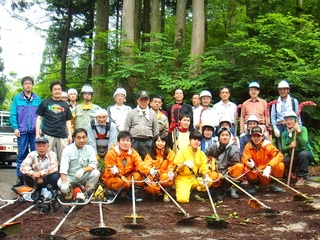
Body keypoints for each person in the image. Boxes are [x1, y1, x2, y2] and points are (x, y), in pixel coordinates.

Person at [10, 76, 42, 187]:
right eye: (26, 83)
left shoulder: (37, 99)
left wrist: (40, 128)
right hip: (22, 131)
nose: (28, 85)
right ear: (23, 85)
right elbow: (13, 114)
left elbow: (41, 115)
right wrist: (15, 128)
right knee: (22, 154)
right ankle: (20, 178)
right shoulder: (17, 98)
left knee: (36, 155)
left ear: (32, 85)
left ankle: (34, 178)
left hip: (34, 132)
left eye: (30, 83)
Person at [101, 131, 146, 202]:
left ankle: (130, 193)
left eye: (128, 141)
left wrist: (150, 171)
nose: (125, 143)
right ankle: (113, 195)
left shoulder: (134, 153)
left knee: (140, 177)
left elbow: (140, 164)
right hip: (113, 178)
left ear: (131, 143)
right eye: (123, 140)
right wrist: (117, 174)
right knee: (119, 181)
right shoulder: (111, 153)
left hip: (126, 177)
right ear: (118, 142)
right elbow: (110, 170)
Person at [36, 81, 73, 162]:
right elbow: (39, 118)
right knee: (46, 158)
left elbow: (68, 120)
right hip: (48, 135)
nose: (57, 91)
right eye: (55, 89)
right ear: (51, 91)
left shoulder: (65, 104)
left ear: (61, 90)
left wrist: (70, 135)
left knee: (64, 159)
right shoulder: (45, 102)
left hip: (62, 135)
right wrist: (37, 134)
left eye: (59, 89)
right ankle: (46, 174)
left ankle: (62, 174)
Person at [242, 126, 286, 194]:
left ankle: (273, 185)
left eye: (258, 136)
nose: (256, 138)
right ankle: (255, 186)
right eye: (254, 136)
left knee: (280, 165)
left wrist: (269, 166)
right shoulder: (248, 146)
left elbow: (279, 156)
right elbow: (245, 157)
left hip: (267, 173)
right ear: (251, 137)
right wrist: (249, 163)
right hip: (256, 172)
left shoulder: (268, 145)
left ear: (262, 137)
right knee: (246, 168)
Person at [57, 128, 100, 196]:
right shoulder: (67, 150)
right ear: (74, 138)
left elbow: (93, 165)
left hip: (84, 175)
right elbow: (63, 168)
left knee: (96, 173)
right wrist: (64, 183)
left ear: (86, 138)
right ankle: (70, 191)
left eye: (84, 137)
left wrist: (83, 170)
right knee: (60, 183)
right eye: (78, 138)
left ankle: (88, 191)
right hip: (71, 176)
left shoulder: (90, 148)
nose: (82, 140)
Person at [206, 128, 244, 201]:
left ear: (230, 137)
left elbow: (235, 164)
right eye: (222, 135)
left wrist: (226, 172)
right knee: (212, 176)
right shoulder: (214, 146)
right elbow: (207, 154)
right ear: (219, 137)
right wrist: (212, 160)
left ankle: (233, 187)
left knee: (239, 166)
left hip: (228, 173)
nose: (225, 137)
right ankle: (217, 188)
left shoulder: (234, 149)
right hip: (216, 170)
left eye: (227, 135)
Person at [174, 130, 212, 203]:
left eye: (198, 140)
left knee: (209, 181)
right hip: (183, 179)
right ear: (189, 140)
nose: (196, 142)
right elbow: (176, 167)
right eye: (194, 139)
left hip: (194, 178)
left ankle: (195, 191)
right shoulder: (182, 151)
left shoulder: (201, 154)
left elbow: (204, 167)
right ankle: (185, 190)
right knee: (183, 200)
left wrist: (206, 176)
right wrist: (184, 164)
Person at [281, 110, 313, 188]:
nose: (289, 122)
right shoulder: (284, 134)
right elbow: (283, 149)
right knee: (284, 160)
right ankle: (293, 171)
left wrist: (299, 132)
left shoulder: (303, 129)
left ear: (295, 120)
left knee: (303, 154)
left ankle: (302, 177)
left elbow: (304, 143)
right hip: (293, 154)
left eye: (291, 119)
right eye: (287, 120)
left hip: (305, 153)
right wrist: (290, 146)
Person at [124, 90, 159, 159]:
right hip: (134, 141)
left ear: (149, 101)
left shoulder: (152, 113)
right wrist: (127, 141)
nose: (143, 101)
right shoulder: (131, 113)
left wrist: (155, 142)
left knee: (147, 160)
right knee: (132, 160)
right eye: (141, 99)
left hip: (148, 141)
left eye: (145, 100)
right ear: (137, 100)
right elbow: (126, 129)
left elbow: (156, 129)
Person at [142, 133, 176, 202]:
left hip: (165, 176)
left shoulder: (170, 153)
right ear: (154, 142)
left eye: (163, 141)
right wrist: (150, 171)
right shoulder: (150, 153)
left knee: (166, 177)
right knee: (151, 187)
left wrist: (170, 171)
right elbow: (146, 166)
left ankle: (166, 192)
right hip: (154, 177)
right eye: (158, 141)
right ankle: (155, 193)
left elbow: (172, 165)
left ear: (166, 143)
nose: (160, 143)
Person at [271, 80, 299, 151]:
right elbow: (273, 118)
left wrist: (299, 126)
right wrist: (275, 128)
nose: (282, 91)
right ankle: (281, 158)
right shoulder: (275, 103)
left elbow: (298, 115)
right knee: (280, 147)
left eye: (284, 89)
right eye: (280, 89)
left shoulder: (293, 101)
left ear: (288, 90)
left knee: (293, 145)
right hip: (280, 126)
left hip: (291, 125)